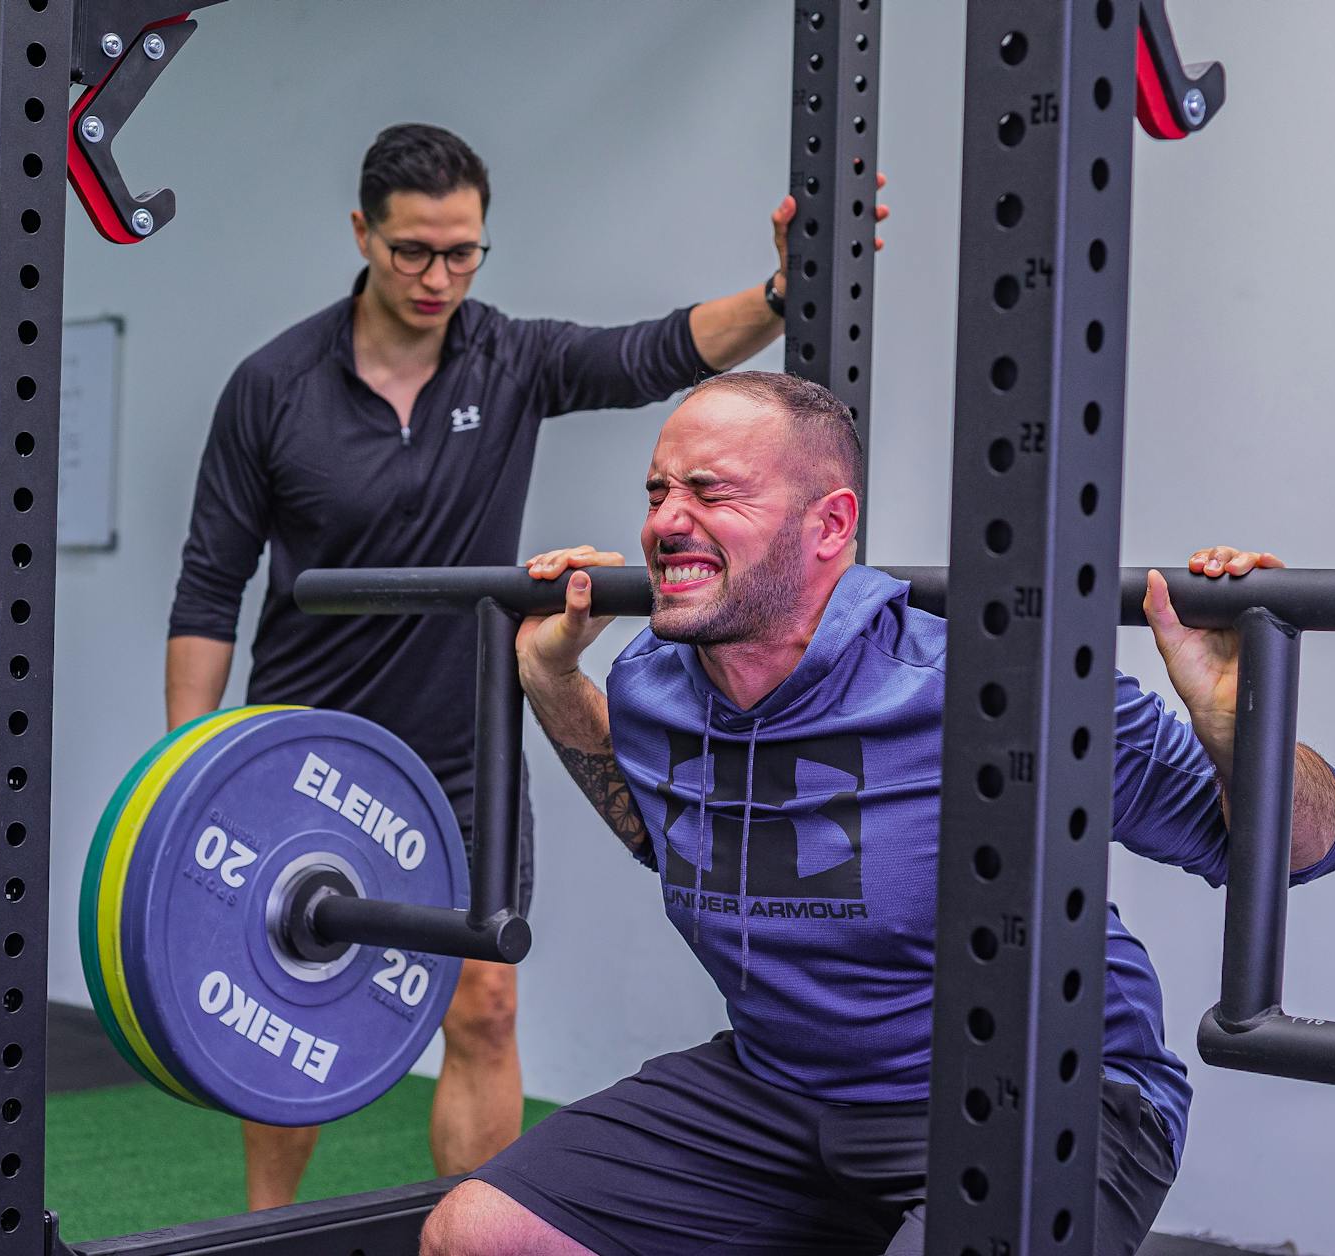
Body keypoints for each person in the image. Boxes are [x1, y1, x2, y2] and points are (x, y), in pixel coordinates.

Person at [419, 371, 1335, 1256]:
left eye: (712, 494)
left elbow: (1297, 851)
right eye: (658, 491)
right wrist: (547, 675)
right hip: (781, 1093)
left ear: (830, 526)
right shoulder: (653, 682)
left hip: (1051, 1099)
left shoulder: (997, 688)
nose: (667, 523)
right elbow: (656, 831)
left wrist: (1240, 725)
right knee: (480, 1234)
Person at [166, 126, 887, 1209]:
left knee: (485, 1006)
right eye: (413, 250)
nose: (437, 276)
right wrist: (192, 753)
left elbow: (654, 351)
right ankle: (267, 1227)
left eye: (462, 252)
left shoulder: (506, 358)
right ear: (361, 232)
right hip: (308, 743)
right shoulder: (271, 387)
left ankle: (479, 1225)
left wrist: (780, 293)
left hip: (461, 745)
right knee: (290, 1005)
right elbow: (207, 586)